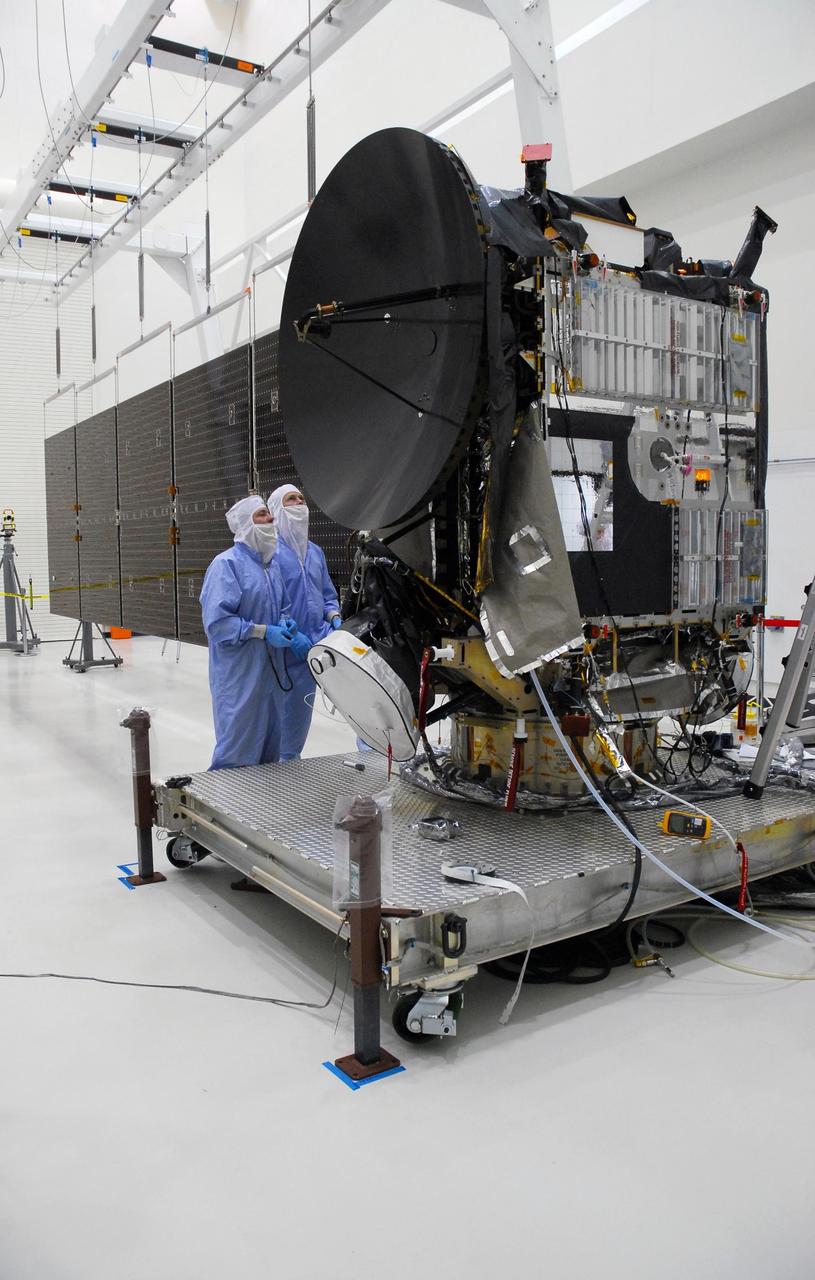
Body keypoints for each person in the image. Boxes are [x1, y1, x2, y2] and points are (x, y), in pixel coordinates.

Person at [200, 494, 300, 769]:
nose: (270, 520)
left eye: (269, 514)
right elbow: (217, 624)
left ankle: (258, 807)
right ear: (245, 525)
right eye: (261, 515)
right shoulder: (226, 565)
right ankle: (226, 805)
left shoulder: (271, 566)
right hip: (240, 675)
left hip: (272, 675)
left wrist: (286, 621)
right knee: (237, 747)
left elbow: (284, 607)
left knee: (270, 748)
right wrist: (262, 631)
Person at [268, 484, 342, 761]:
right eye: (291, 499)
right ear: (277, 509)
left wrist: (334, 617)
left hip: (321, 644)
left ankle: (371, 751)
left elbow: (327, 595)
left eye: (301, 498)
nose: (299, 503)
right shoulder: (271, 553)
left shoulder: (315, 552)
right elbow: (269, 602)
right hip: (288, 651)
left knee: (350, 702)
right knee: (288, 721)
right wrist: (290, 630)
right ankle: (283, 769)